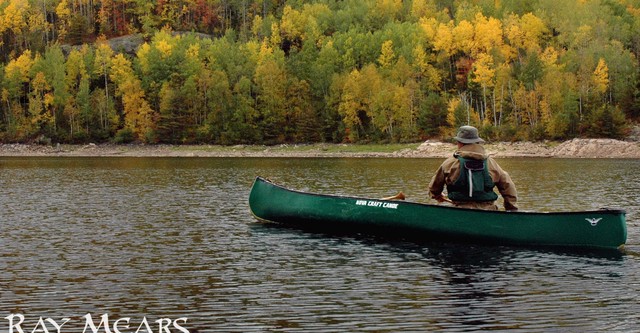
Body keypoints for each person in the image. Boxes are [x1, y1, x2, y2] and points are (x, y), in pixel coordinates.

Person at [428, 125, 518, 211]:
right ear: (476, 142)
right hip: (488, 211)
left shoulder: (450, 163)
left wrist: (437, 195)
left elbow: (434, 187)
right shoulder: (491, 163)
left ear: (460, 143)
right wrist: (511, 209)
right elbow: (508, 186)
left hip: (458, 211)